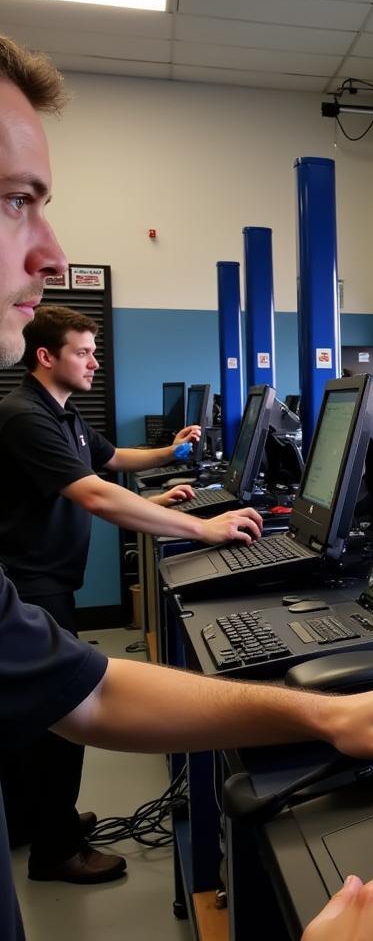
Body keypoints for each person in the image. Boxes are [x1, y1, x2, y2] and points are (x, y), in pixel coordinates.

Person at [0, 35, 373, 941]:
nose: (50, 252)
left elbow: (88, 693)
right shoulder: (17, 413)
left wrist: (323, 715)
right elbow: (86, 503)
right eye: (15, 204)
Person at [0, 302, 267, 883]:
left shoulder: (63, 415)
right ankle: (56, 849)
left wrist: (170, 458)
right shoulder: (24, 415)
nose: (95, 361)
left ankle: (39, 820)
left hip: (49, 580)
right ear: (46, 357)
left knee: (38, 719)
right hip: (29, 583)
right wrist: (206, 527)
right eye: (83, 352)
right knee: (61, 712)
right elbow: (95, 495)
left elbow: (114, 460)